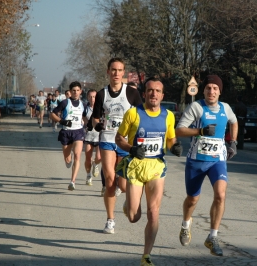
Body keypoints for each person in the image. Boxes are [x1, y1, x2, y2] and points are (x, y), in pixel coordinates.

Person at [115, 77, 182, 266]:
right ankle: (129, 205)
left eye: (157, 91)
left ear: (162, 95)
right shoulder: (133, 113)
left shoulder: (168, 115)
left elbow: (170, 139)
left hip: (156, 167)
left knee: (153, 213)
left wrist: (175, 146)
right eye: (150, 90)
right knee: (134, 217)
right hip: (136, 167)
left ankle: (146, 256)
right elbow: (119, 138)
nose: (154, 94)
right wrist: (131, 149)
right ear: (144, 94)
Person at [175, 74, 238, 256]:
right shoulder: (196, 107)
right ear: (203, 90)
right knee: (192, 199)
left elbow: (234, 122)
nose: (212, 91)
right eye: (209, 88)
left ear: (220, 91)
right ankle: (186, 224)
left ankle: (212, 236)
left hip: (217, 160)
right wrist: (200, 131)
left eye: (215, 88)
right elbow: (179, 130)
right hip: (196, 161)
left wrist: (232, 142)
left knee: (220, 195)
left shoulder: (225, 108)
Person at [92, 57, 142, 234]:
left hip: (125, 142)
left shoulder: (132, 93)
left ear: (124, 73)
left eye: (120, 70)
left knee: (123, 185)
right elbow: (95, 118)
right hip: (107, 139)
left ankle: (127, 200)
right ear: (108, 72)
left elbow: (141, 116)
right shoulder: (101, 94)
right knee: (110, 181)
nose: (116, 73)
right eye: (113, 70)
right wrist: (97, 125)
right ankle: (110, 220)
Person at [50, 81, 85, 191]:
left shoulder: (83, 104)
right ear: (70, 92)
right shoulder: (65, 102)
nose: (75, 92)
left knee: (77, 155)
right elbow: (52, 114)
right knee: (68, 158)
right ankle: (67, 159)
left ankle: (72, 181)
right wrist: (62, 121)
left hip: (78, 131)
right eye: (73, 90)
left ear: (80, 91)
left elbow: (85, 117)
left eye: (77, 90)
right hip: (66, 132)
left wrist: (90, 125)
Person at [83, 89, 101, 185]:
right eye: (90, 96)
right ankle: (89, 175)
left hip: (99, 136)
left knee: (98, 157)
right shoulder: (85, 108)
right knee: (88, 158)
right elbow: (83, 118)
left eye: (94, 96)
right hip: (89, 136)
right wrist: (86, 123)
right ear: (87, 97)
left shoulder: (101, 108)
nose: (92, 98)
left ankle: (95, 164)